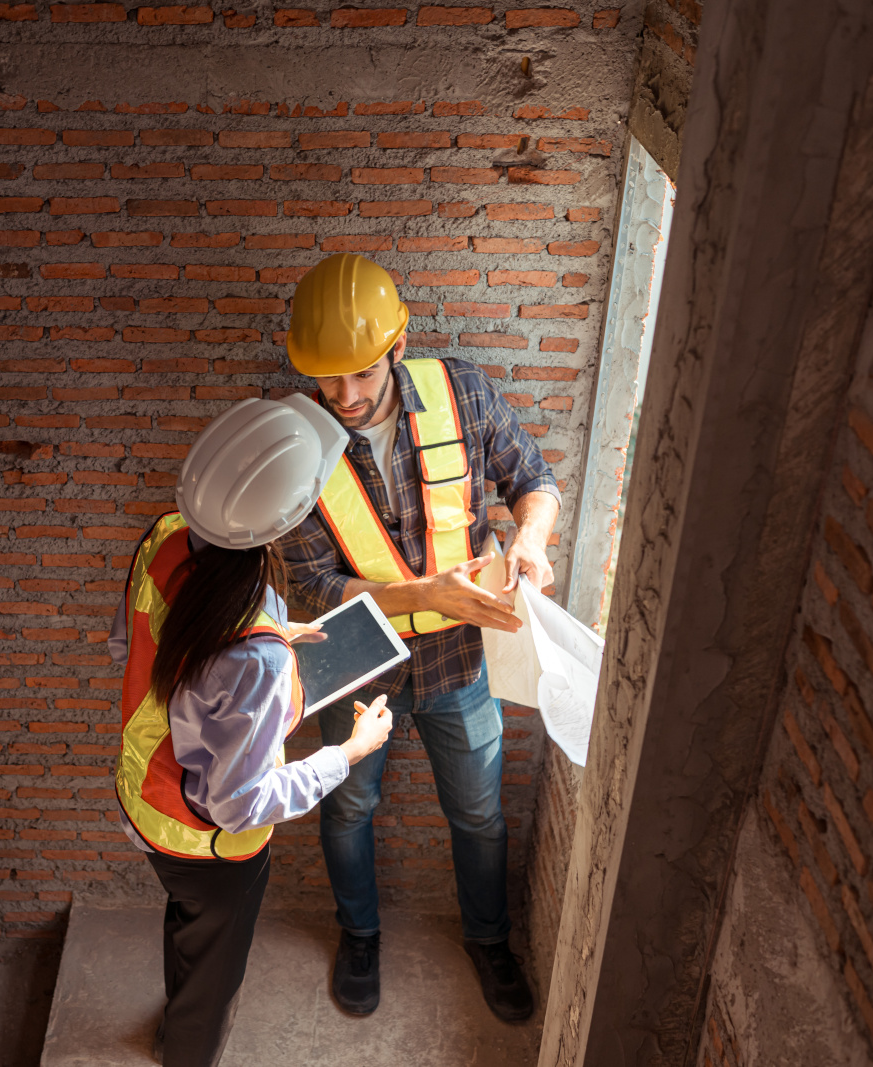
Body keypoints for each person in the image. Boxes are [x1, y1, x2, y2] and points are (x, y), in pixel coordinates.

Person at [276, 253, 561, 1023]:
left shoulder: (460, 391)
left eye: (362, 375)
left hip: (460, 661)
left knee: (478, 812)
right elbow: (313, 587)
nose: (345, 396)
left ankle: (487, 939)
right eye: (329, 379)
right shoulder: (294, 445)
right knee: (347, 808)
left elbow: (533, 479)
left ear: (398, 347)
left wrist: (530, 539)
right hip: (357, 662)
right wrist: (420, 594)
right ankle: (359, 935)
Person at [110, 393, 399, 1067]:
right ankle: (184, 1050)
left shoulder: (166, 535)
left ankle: (170, 1026)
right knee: (213, 973)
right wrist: (348, 752)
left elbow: (154, 640)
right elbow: (239, 801)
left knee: (190, 929)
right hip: (210, 843)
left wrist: (270, 630)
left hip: (143, 795)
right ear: (281, 522)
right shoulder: (255, 656)